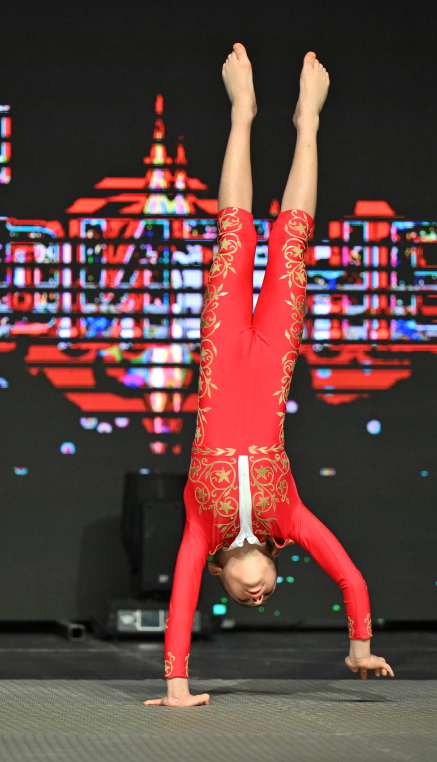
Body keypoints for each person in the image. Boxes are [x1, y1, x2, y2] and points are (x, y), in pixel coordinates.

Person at [145, 44, 395, 708]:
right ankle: (308, 122)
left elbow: (178, 604)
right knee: (289, 244)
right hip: (275, 355)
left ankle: (242, 113)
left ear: (219, 578)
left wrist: (177, 687)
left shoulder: (200, 529)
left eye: (240, 597)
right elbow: (351, 577)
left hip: (223, 354)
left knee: (235, 236)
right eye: (263, 598)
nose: (254, 594)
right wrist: (359, 645)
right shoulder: (291, 517)